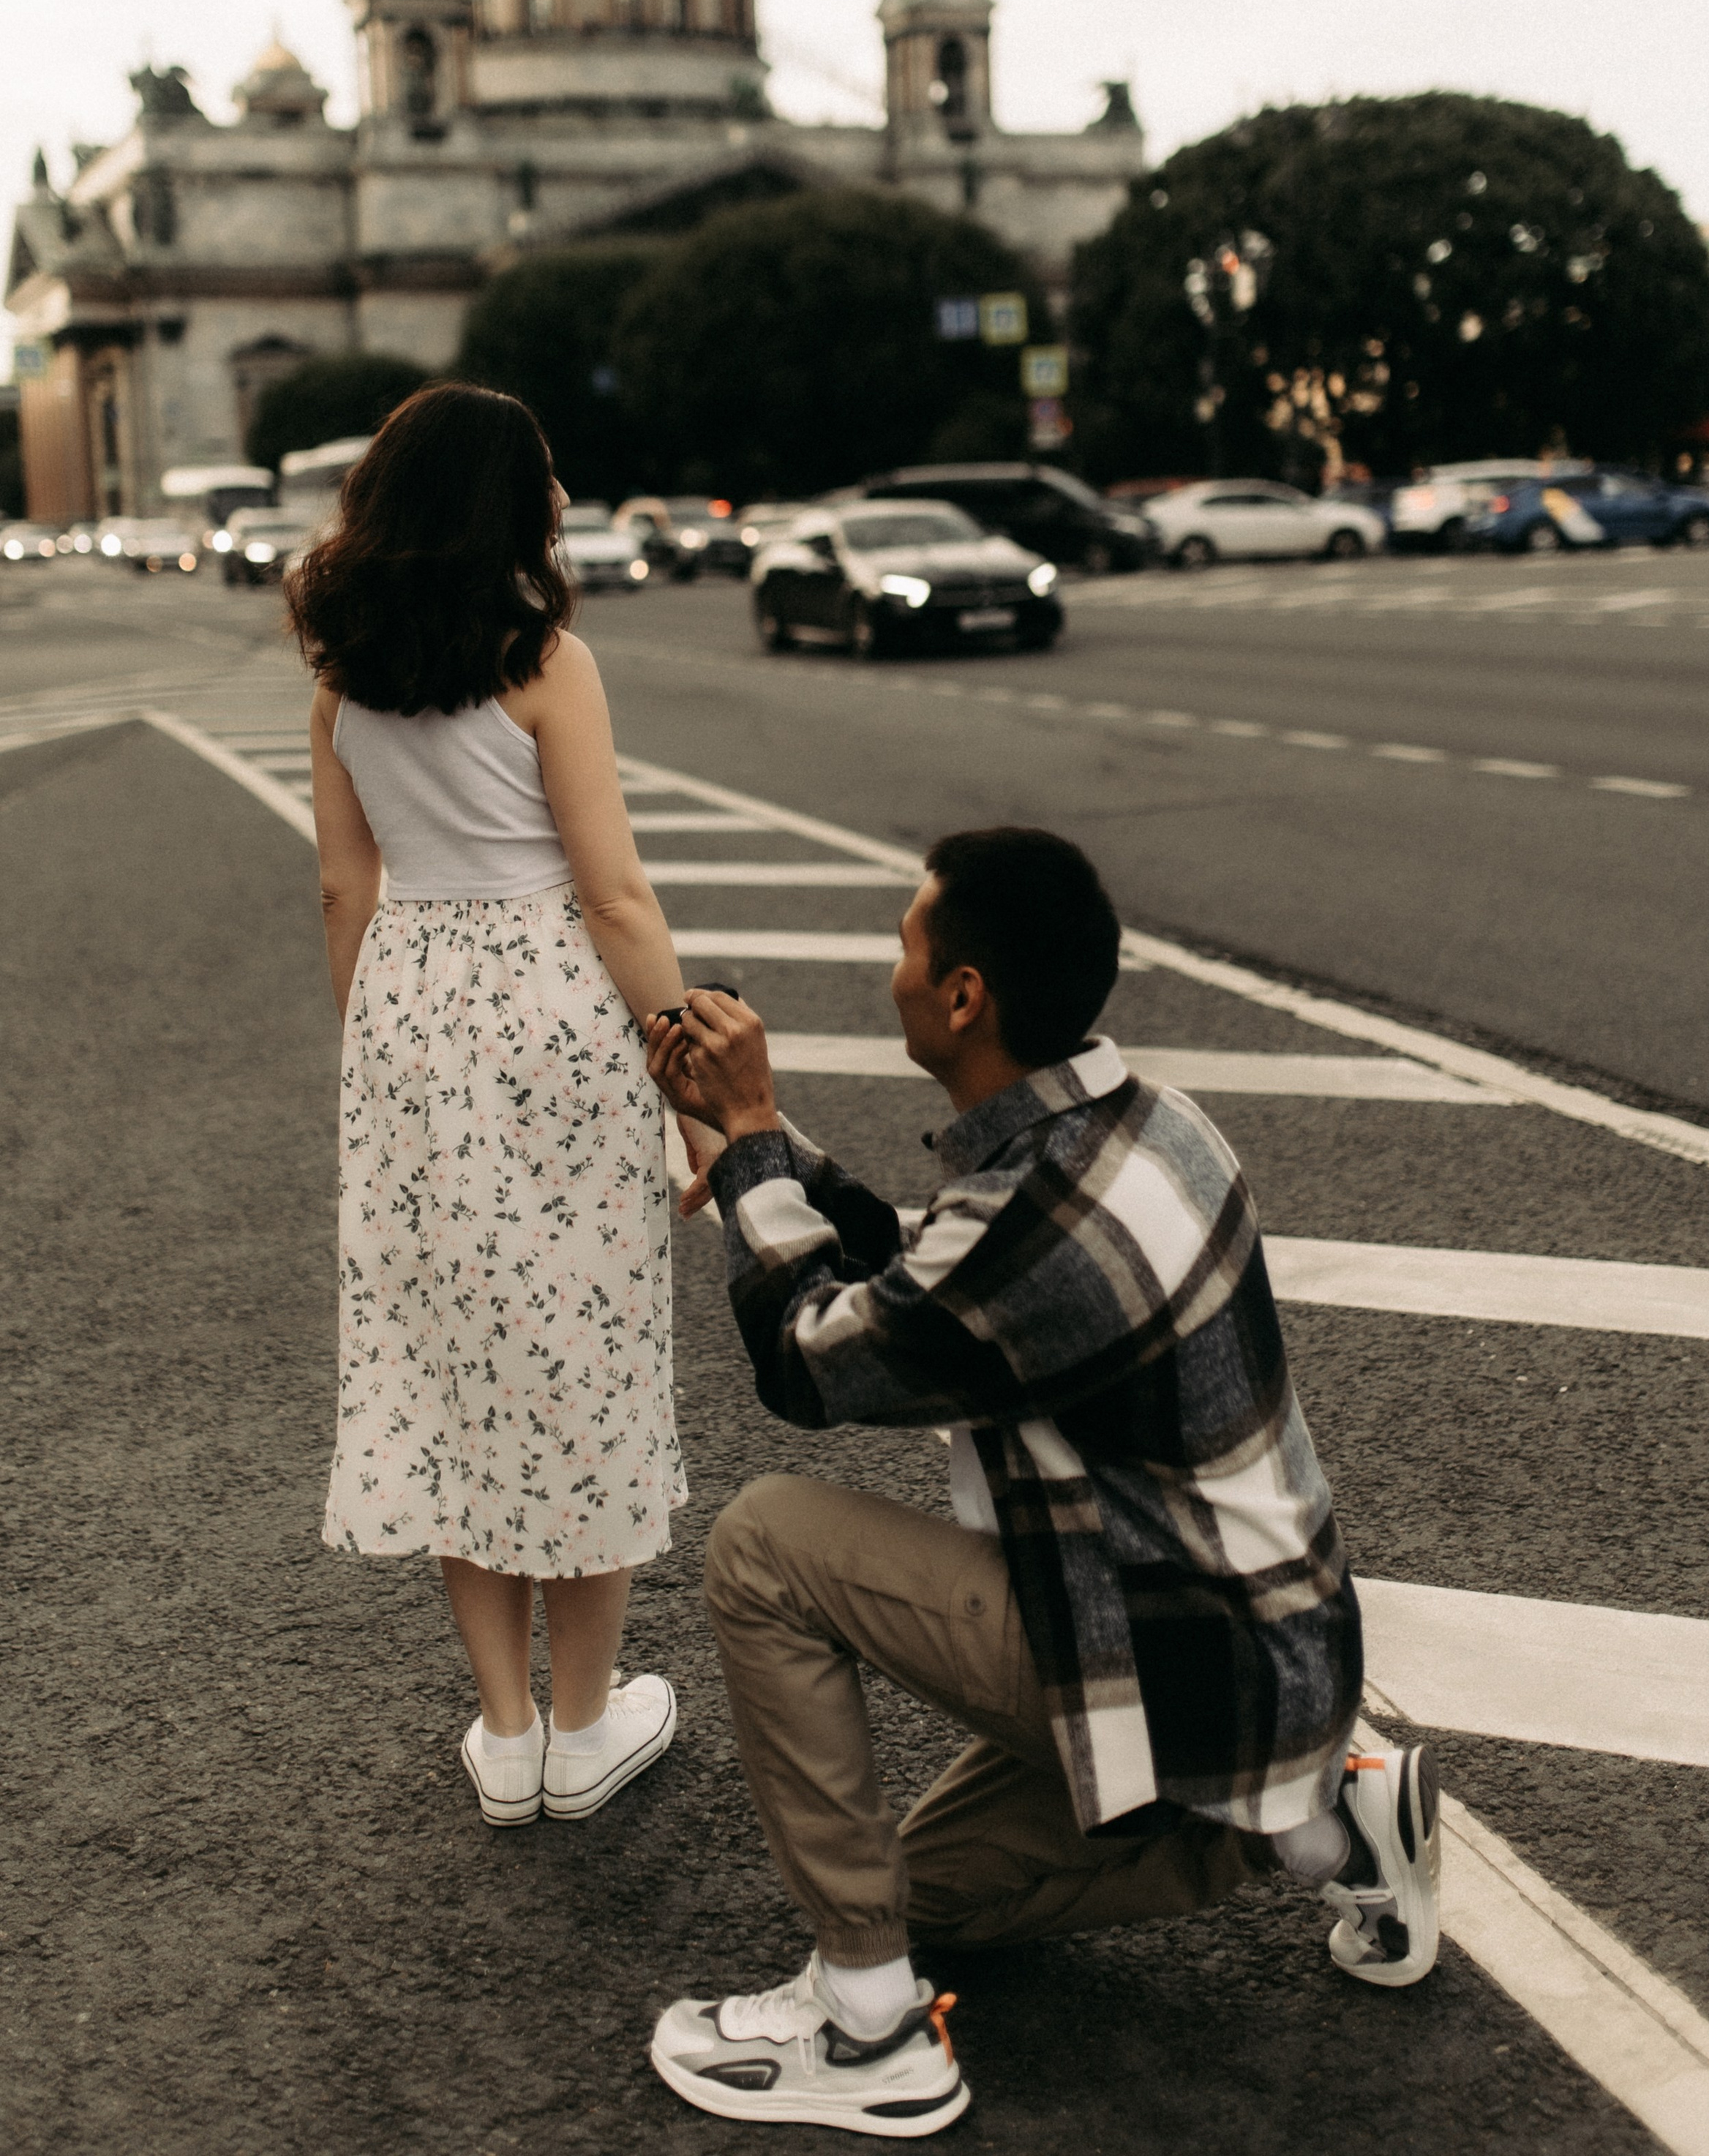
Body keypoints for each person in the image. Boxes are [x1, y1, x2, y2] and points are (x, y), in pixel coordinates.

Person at [645, 826, 1437, 2139]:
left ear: (964, 997)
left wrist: (744, 1140)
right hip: (1266, 1659)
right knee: (926, 1897)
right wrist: (756, 1142)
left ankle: (869, 2029)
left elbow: (813, 1359)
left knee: (763, 1543)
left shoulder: (1038, 1224)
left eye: (909, 942)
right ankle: (1323, 1821)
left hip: (1180, 1666)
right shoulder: (1147, 1128)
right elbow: (929, 1277)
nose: (893, 967)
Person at [292, 381, 690, 1827]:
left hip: (407, 1011)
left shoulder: (341, 677)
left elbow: (344, 885)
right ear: (505, 501)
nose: (564, 497)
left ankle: (508, 1732)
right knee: (577, 1355)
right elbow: (614, 892)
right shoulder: (543, 659)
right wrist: (699, 1093)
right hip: (548, 1006)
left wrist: (384, 1053)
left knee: (452, 1361)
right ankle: (589, 1728)